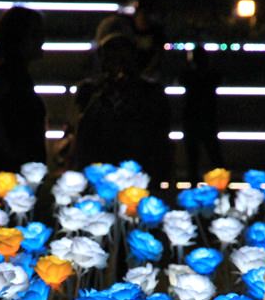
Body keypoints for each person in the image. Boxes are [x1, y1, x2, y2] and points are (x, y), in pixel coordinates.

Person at [67, 15, 171, 180]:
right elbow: (77, 138)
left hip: (137, 180)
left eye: (123, 48)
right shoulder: (89, 91)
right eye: (111, 49)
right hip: (97, 177)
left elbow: (159, 142)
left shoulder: (151, 92)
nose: (117, 56)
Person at [0, 7, 46, 175]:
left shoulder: (16, 74)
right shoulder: (9, 73)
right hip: (11, 169)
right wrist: (10, 152)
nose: (41, 40)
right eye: (35, 34)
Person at [180, 44, 224, 179]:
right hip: (207, 118)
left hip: (192, 118)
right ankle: (222, 186)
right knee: (214, 156)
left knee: (193, 158)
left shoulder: (189, 76)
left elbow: (182, 78)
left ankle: (193, 186)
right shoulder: (211, 76)